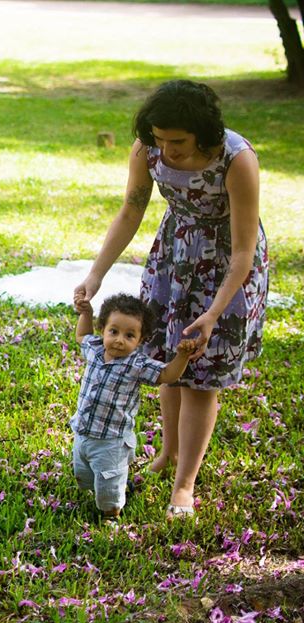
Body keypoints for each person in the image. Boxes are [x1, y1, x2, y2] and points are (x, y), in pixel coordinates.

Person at [74, 80, 269, 519]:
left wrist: (214, 313)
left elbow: (243, 251)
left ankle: (185, 483)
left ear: (202, 132)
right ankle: (168, 453)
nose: (167, 150)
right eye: (159, 139)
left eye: (177, 141)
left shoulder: (237, 161)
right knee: (168, 363)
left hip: (226, 269)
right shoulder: (148, 149)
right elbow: (131, 210)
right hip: (173, 259)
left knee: (200, 377)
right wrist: (96, 274)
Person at [71, 294, 201, 520]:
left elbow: (167, 375)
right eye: (113, 331)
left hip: (111, 442)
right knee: (84, 475)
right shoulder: (93, 347)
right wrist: (86, 314)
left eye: (129, 335)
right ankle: (118, 485)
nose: (120, 340)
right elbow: (81, 334)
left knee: (108, 485)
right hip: (82, 433)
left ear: (140, 341)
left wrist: (182, 357)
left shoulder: (137, 364)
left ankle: (112, 513)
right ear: (103, 329)